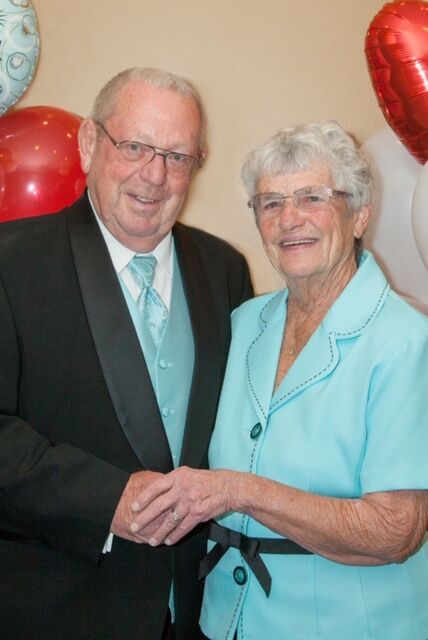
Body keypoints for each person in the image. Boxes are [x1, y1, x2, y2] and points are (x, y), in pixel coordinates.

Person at [127, 121, 428, 640]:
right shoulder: (245, 322)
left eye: (312, 197)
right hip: (226, 619)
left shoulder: (406, 341)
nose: (289, 219)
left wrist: (238, 491)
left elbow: (394, 531)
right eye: (270, 203)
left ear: (360, 213)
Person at [0, 66, 253, 640]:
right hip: (52, 611)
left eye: (177, 156)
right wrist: (106, 499)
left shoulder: (225, 270)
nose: (154, 175)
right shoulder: (10, 264)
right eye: (135, 146)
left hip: (194, 613)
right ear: (90, 143)